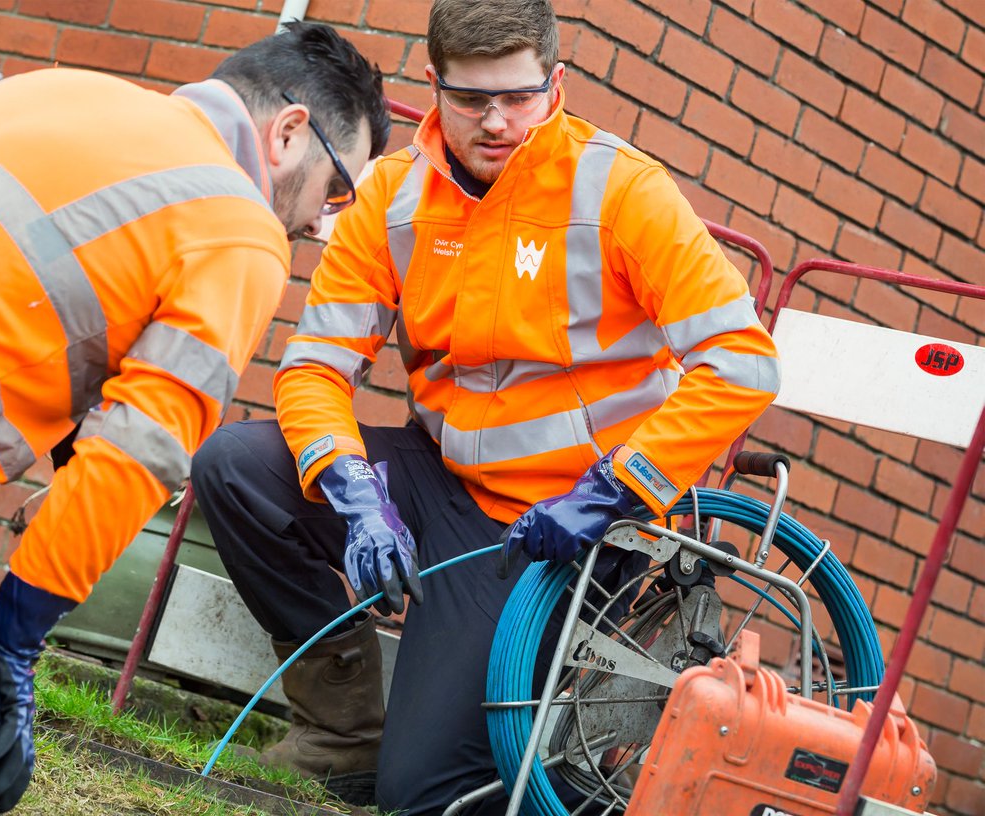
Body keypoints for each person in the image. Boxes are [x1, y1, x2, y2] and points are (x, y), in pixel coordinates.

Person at [0, 21, 389, 816]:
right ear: (287, 133)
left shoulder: (56, 88)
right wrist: (17, 644)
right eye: (336, 192)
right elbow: (136, 456)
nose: (322, 225)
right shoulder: (239, 228)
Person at [191, 1, 781, 813]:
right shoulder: (394, 197)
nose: (496, 122)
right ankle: (343, 731)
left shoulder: (622, 190)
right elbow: (314, 367)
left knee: (423, 794)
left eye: (519, 97)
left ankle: (481, 753)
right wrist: (354, 490)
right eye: (470, 100)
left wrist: (613, 491)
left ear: (556, 84)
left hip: (566, 530)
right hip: (436, 482)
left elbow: (742, 364)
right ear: (434, 86)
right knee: (233, 468)